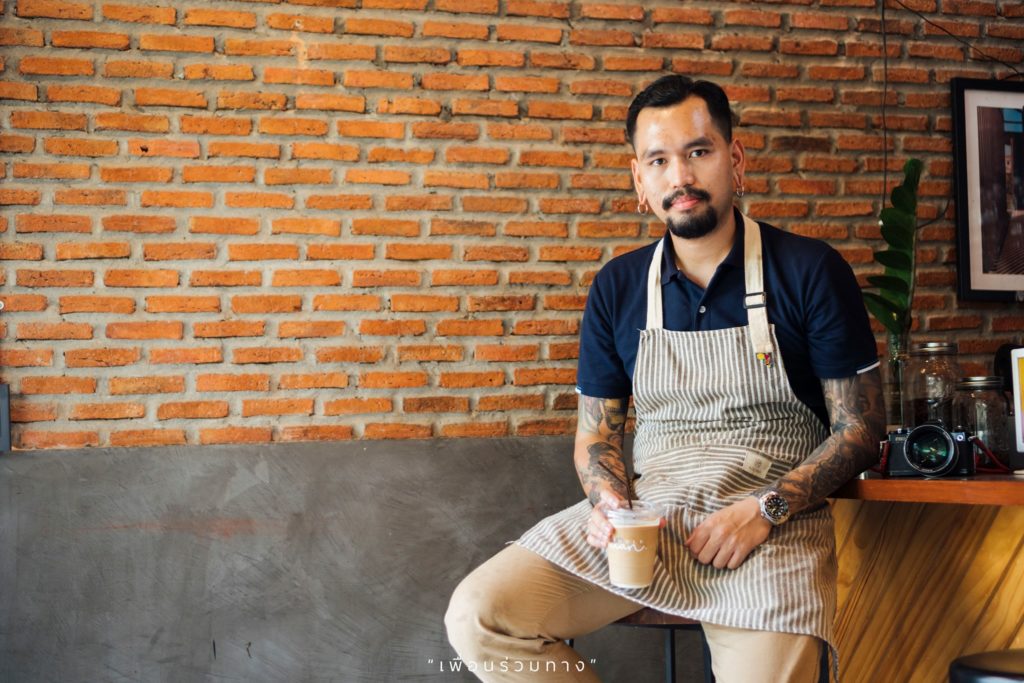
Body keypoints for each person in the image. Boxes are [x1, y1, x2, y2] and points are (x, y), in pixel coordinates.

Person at [445, 74, 885, 682]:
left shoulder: (810, 270)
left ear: (734, 159)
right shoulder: (617, 287)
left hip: (768, 530)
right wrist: (608, 502)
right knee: (481, 616)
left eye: (698, 152)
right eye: (658, 160)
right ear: (639, 180)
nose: (680, 176)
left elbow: (861, 429)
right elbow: (597, 436)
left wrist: (768, 508)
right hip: (650, 522)